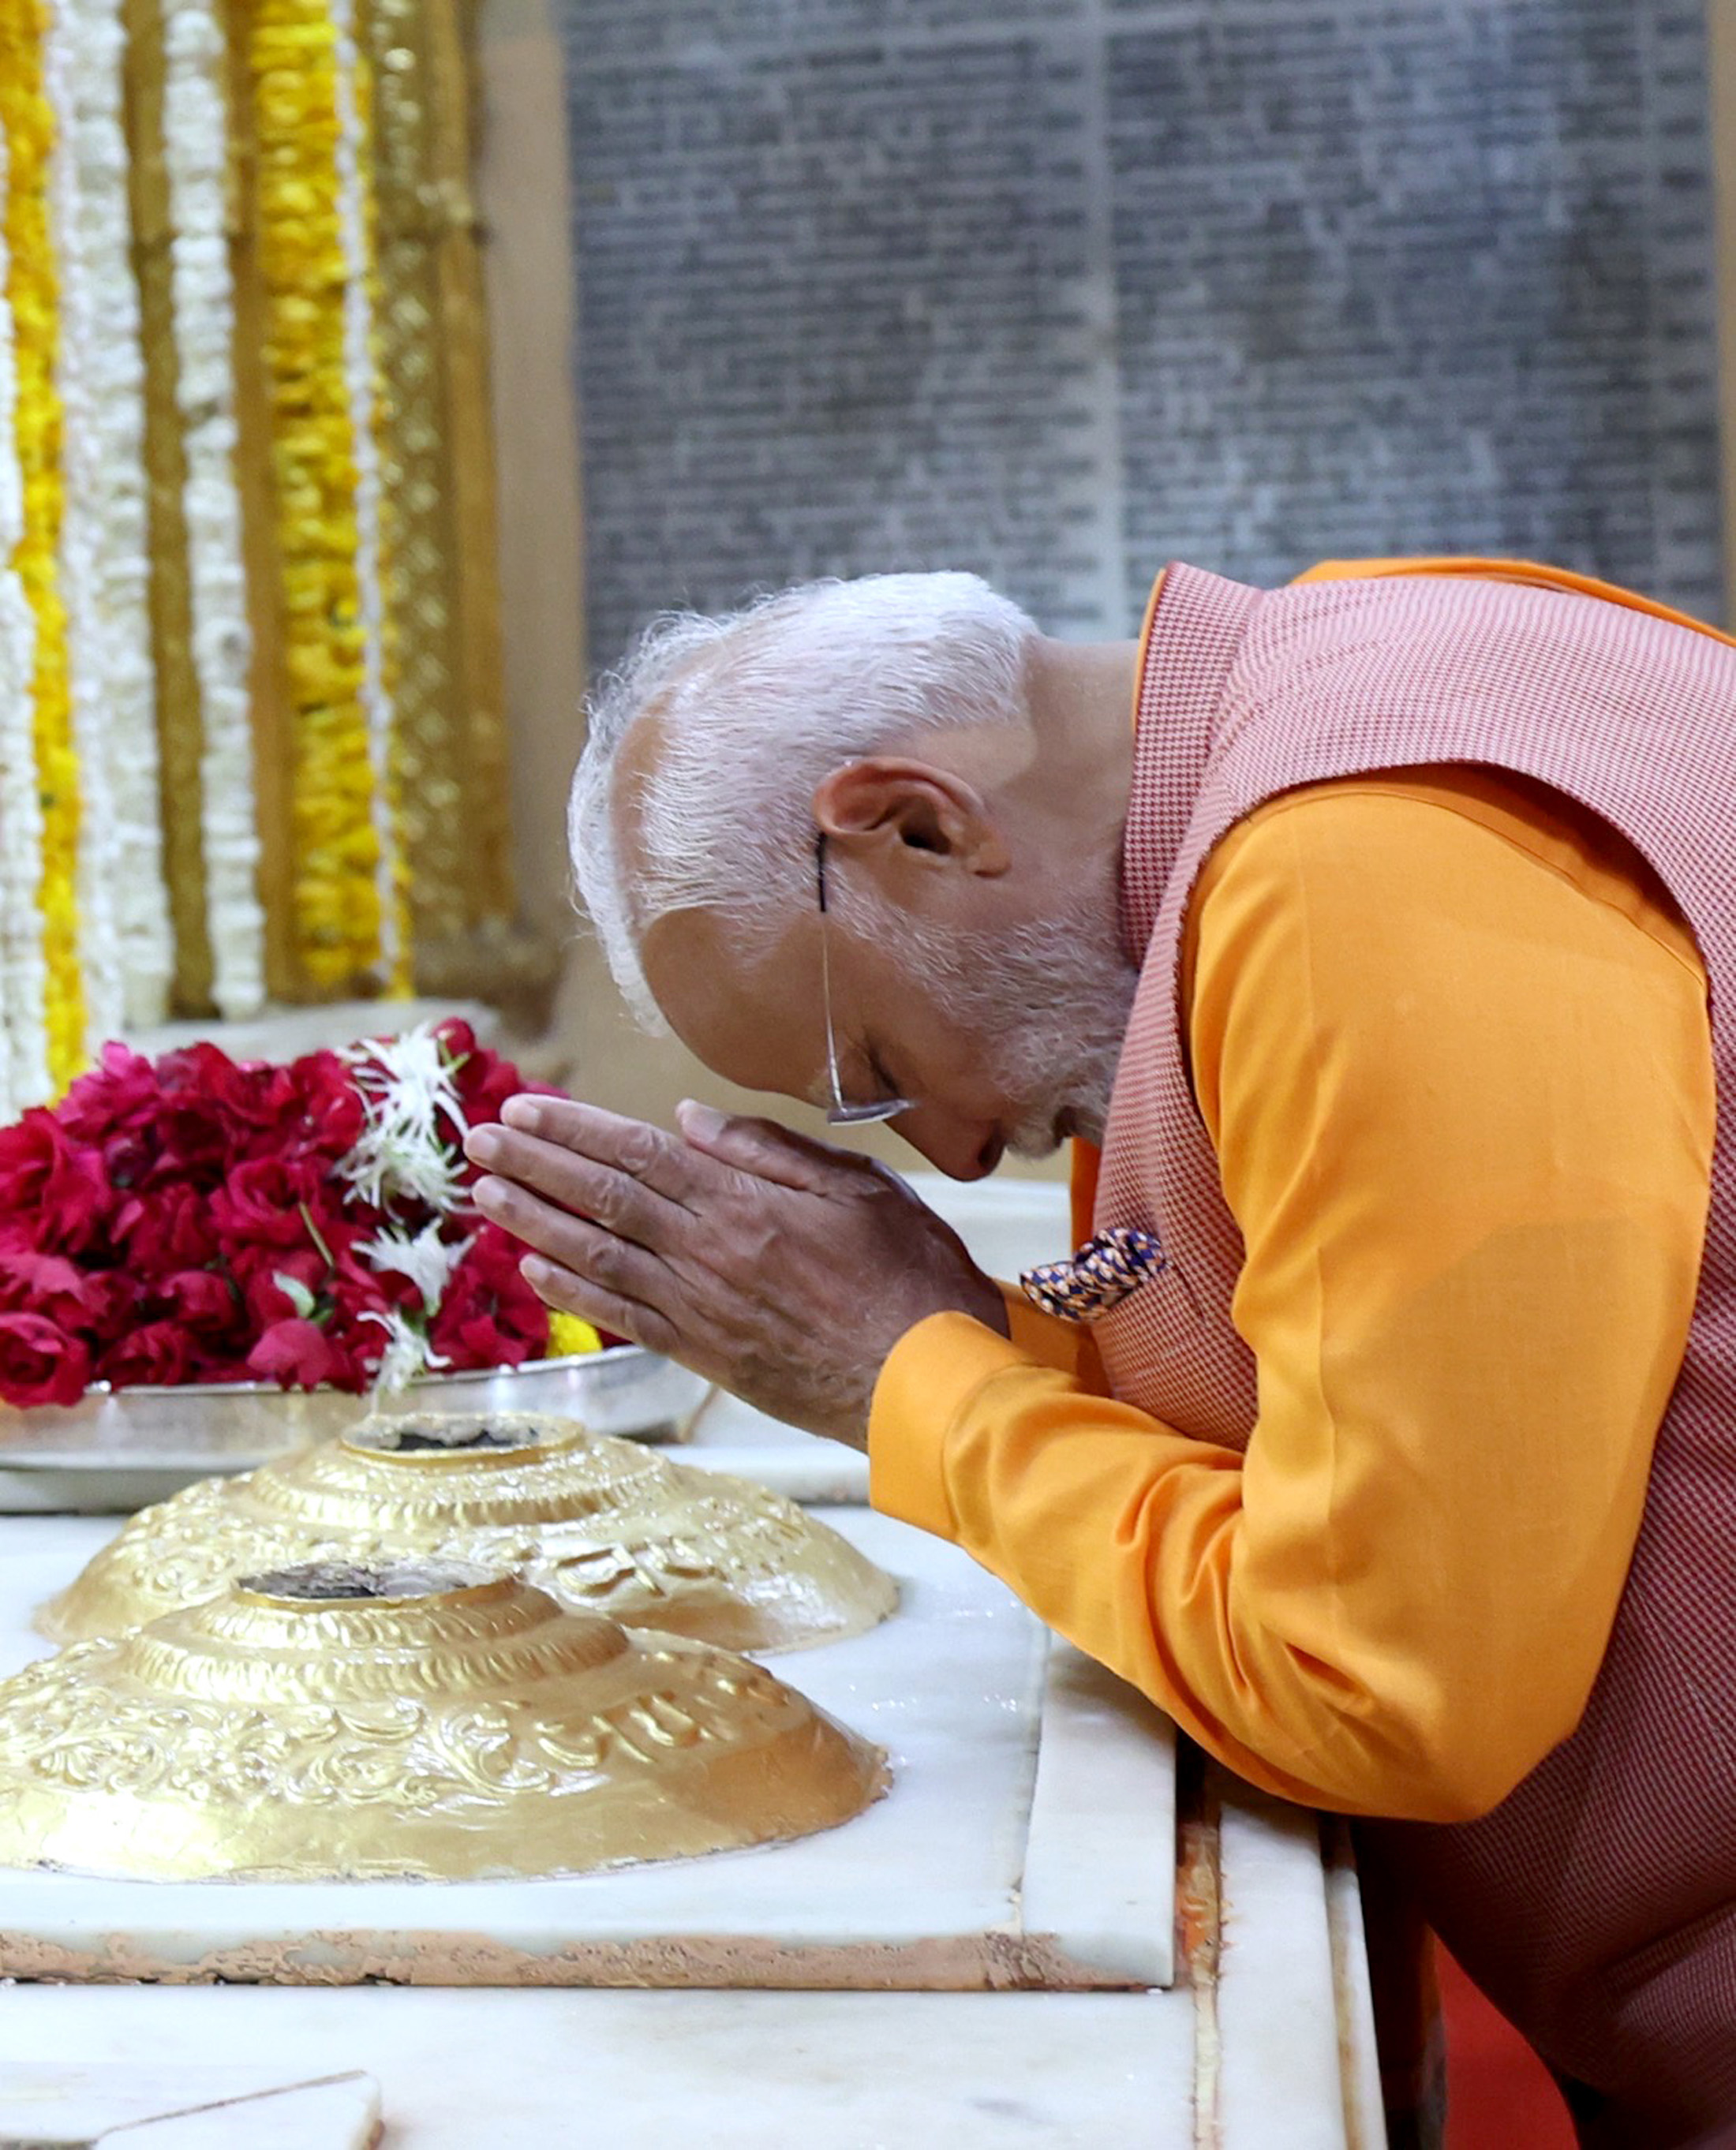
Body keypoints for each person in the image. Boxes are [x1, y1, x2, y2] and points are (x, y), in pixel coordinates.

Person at [462, 556, 1736, 2145]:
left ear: (919, 824)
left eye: (871, 1072)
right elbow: (1367, 1400)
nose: (951, 1149)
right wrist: (959, 1336)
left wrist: (905, 1377)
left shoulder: (1352, 870)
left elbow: (1382, 1684)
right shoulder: (1369, 662)